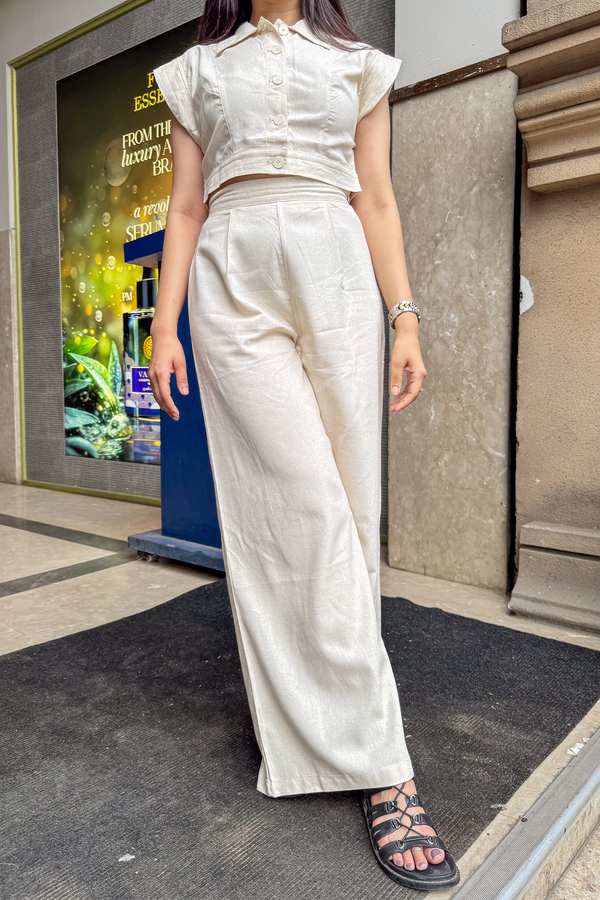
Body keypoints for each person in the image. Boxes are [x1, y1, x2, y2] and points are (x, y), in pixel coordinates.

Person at [149, 0, 459, 890]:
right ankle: (386, 769)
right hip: (233, 281)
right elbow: (182, 209)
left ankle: (330, 716)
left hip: (338, 271)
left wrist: (406, 318)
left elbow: (377, 197)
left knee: (350, 514)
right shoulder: (198, 71)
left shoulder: (361, 63)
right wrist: (164, 329)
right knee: (300, 511)